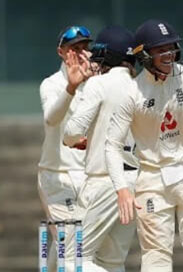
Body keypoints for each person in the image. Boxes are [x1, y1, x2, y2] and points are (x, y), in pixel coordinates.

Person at [105, 19, 183, 272]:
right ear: (144, 55)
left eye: (171, 48)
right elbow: (112, 145)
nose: (169, 55)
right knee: (156, 256)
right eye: (160, 50)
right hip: (152, 177)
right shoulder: (132, 92)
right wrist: (122, 189)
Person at [63, 25, 139, 272]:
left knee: (71, 261)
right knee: (112, 262)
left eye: (99, 54)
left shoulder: (98, 85)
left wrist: (72, 140)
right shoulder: (141, 88)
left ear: (109, 56)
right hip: (132, 183)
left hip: (103, 182)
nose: (94, 60)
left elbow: (72, 131)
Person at [37, 25, 94, 271]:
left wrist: (97, 80)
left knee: (68, 247)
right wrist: (71, 87)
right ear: (61, 52)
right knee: (70, 246)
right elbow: (51, 118)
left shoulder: (96, 82)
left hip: (88, 176)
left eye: (84, 48)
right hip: (56, 176)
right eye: (74, 49)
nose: (80, 54)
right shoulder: (51, 84)